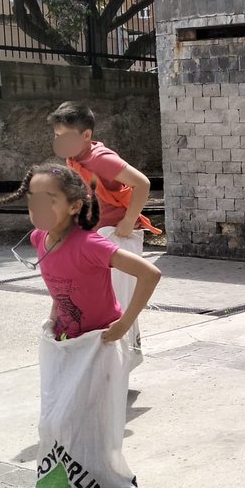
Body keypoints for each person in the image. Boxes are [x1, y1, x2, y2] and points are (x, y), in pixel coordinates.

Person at [0, 164, 160, 488]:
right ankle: (68, 487)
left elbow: (150, 273)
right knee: (55, 422)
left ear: (74, 206)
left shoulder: (90, 244)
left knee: (88, 423)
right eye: (32, 200)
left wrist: (124, 324)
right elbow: (60, 285)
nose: (38, 208)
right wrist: (54, 315)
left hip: (99, 346)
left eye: (48, 200)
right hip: (66, 344)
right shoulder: (39, 239)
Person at [46, 102, 157, 365]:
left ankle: (120, 361)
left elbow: (142, 183)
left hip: (117, 236)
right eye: (57, 136)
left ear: (86, 135)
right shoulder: (75, 157)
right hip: (98, 236)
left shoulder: (100, 158)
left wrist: (128, 221)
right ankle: (106, 361)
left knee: (117, 303)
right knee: (99, 300)